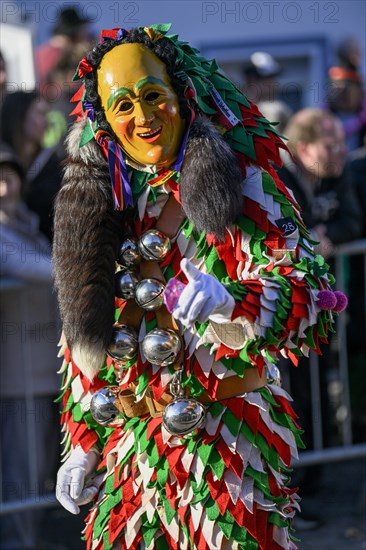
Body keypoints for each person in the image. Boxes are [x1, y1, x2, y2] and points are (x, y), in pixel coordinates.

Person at [53, 25, 345, 550]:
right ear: (104, 122)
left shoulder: (245, 180)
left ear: (182, 98)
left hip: (227, 449)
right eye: (123, 106)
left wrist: (233, 302)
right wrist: (82, 444)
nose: (142, 117)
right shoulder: (107, 199)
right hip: (133, 456)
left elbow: (309, 297)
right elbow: (89, 331)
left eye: (152, 97)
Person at [0, 143, 61, 549]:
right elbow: (25, 267)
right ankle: (20, 542)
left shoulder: (28, 223)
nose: (3, 188)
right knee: (23, 471)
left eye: (8, 176)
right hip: (17, 375)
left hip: (45, 369)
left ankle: (33, 538)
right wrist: (84, 266)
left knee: (43, 470)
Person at [0, 90, 64, 242]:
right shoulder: (4, 161)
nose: (47, 123)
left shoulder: (55, 168)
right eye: (40, 114)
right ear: (19, 117)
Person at [35, 6, 93, 92]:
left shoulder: (42, 52)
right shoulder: (54, 55)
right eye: (82, 32)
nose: (85, 37)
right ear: (74, 34)